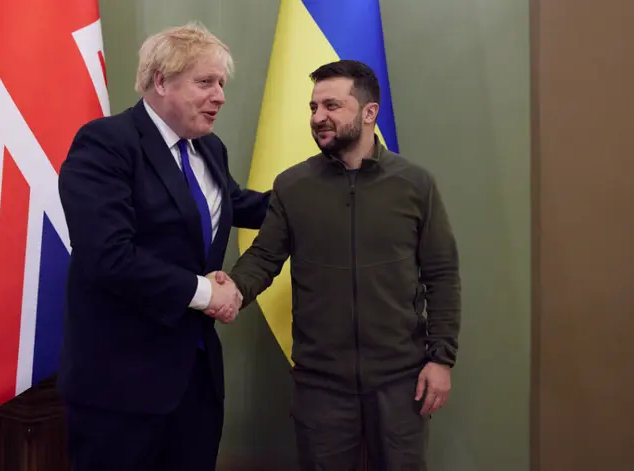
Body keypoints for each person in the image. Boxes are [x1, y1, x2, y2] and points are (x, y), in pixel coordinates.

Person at [213, 59, 461, 470]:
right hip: (320, 386)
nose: (318, 117)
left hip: (401, 382)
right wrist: (233, 290)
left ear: (369, 112)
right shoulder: (292, 186)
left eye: (332, 106)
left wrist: (441, 359)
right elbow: (264, 257)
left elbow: (442, 276)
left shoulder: (416, 185)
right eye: (313, 107)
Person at [56, 23, 270, 471]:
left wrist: (319, 190)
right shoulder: (106, 143)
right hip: (120, 388)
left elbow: (234, 204)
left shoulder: (209, 148)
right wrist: (207, 293)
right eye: (205, 82)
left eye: (222, 84)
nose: (219, 97)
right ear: (160, 81)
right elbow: (108, 256)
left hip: (195, 384)